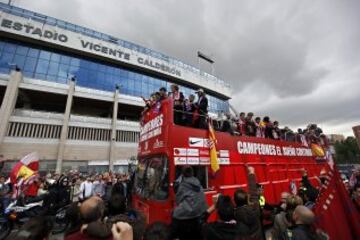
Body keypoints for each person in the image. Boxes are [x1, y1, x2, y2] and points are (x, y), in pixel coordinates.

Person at [171, 165, 208, 240]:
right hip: (200, 215)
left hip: (187, 217)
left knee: (174, 214)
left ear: (183, 174)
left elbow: (178, 200)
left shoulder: (182, 185)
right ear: (193, 173)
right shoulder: (199, 184)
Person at [233, 166, 262, 239]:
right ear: (247, 199)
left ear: (234, 201)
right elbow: (253, 194)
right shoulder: (255, 209)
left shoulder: (235, 213)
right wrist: (251, 173)